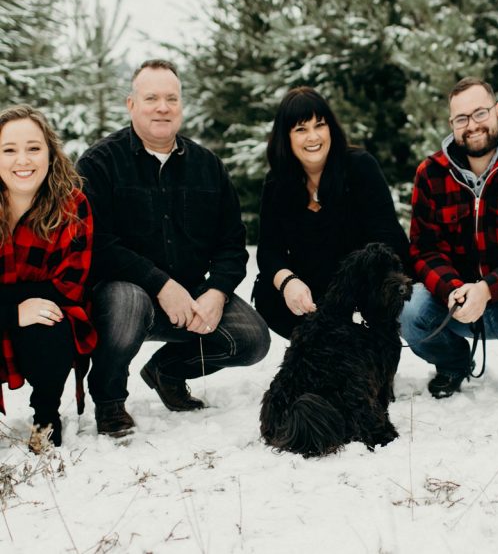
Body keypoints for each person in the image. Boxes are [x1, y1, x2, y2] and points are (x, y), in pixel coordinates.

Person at [77, 59, 270, 438]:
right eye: (151, 98)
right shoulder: (99, 163)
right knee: (127, 301)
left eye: (171, 98)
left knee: (252, 339)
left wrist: (217, 292)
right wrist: (161, 285)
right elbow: (96, 244)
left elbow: (233, 242)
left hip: (193, 297)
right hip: (124, 297)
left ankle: (167, 370)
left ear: (182, 105)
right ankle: (110, 401)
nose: (162, 107)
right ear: (131, 104)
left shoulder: (207, 166)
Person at [254, 86, 409, 339]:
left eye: (320, 125)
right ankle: (319, 350)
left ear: (331, 129)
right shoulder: (277, 182)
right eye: (301, 129)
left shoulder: (360, 166)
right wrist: (288, 282)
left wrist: (358, 286)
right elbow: (269, 250)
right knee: (267, 293)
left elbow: (388, 236)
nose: (313, 137)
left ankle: (363, 351)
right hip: (312, 289)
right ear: (287, 137)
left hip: (363, 284)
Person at [0, 105, 96, 452]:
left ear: (50, 153)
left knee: (51, 318)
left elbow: (68, 285)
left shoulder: (72, 205)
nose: (22, 160)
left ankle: (45, 418)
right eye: (9, 150)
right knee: (36, 308)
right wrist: (13, 310)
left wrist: (23, 304)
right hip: (12, 314)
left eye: (33, 148)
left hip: (45, 320)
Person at [400, 77, 498, 398]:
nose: (472, 125)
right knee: (408, 309)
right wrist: (453, 290)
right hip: (457, 306)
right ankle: (453, 362)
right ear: (452, 124)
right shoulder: (430, 173)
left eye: (480, 113)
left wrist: (487, 289)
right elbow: (423, 250)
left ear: (497, 111)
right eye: (462, 118)